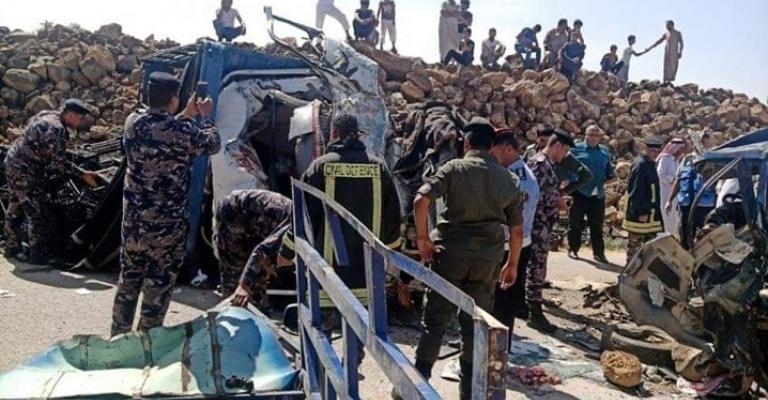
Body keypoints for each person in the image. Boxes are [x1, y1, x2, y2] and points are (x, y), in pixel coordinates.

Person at [405, 117, 523, 400]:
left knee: (435, 321)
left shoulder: (454, 168)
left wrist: (422, 239)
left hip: (450, 256)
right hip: (487, 262)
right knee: (474, 325)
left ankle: (416, 385)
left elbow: (421, 201)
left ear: (466, 143)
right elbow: (517, 230)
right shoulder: (509, 179)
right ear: (492, 147)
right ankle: (468, 392)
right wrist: (512, 264)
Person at [111, 72, 221, 336]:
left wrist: (185, 115)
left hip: (133, 225)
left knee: (128, 281)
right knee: (157, 286)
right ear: (173, 99)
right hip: (165, 228)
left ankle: (118, 338)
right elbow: (213, 143)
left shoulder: (132, 123)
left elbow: (162, 129)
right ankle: (146, 342)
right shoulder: (183, 131)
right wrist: (205, 116)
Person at [281, 114, 402, 349]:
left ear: (334, 134)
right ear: (358, 135)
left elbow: (303, 216)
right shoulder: (379, 168)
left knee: (321, 336)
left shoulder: (320, 167)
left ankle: (322, 367)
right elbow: (392, 218)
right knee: (358, 330)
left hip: (328, 272)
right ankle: (353, 363)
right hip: (367, 273)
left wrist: (287, 250)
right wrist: (392, 261)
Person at [3, 99, 100, 264]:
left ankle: (12, 247)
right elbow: (58, 164)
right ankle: (38, 255)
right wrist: (82, 174)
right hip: (25, 170)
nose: (81, 123)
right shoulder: (57, 130)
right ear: (71, 115)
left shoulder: (48, 114)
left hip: (13, 162)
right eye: (80, 118)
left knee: (16, 205)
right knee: (37, 211)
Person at [490, 130, 539, 337]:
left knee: (502, 306)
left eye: (494, 150)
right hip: (508, 246)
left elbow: (515, 225)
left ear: (508, 148)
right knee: (493, 301)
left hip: (510, 248)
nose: (491, 155)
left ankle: (499, 348)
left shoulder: (519, 180)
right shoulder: (509, 174)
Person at [526, 129, 574, 333]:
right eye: (565, 151)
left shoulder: (547, 164)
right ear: (557, 146)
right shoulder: (540, 164)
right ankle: (534, 312)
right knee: (536, 267)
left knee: (536, 266)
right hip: (537, 224)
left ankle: (528, 306)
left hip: (542, 223)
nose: (565, 156)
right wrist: (559, 203)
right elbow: (538, 195)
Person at [214, 189, 293, 308]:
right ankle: (232, 310)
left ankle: (254, 307)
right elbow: (261, 250)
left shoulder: (303, 224)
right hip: (234, 212)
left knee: (259, 275)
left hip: (257, 223)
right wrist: (244, 285)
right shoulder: (294, 229)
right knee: (235, 278)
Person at [567, 126, 615, 263]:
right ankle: (573, 249)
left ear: (599, 137)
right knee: (575, 223)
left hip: (598, 194)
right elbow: (568, 167)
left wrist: (610, 176)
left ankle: (599, 253)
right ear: (585, 136)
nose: (593, 138)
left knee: (597, 225)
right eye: (591, 135)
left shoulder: (605, 152)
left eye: (596, 135)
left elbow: (608, 170)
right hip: (580, 193)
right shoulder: (576, 149)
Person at [622, 137, 664, 264]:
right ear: (646, 149)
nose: (655, 154)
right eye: (652, 151)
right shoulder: (640, 165)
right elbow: (637, 191)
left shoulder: (650, 164)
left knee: (649, 248)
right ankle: (631, 270)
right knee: (635, 246)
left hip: (651, 214)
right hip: (640, 214)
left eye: (657, 151)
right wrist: (642, 211)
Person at [666, 151, 717, 249]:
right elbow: (678, 180)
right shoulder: (686, 159)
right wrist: (669, 200)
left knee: (703, 235)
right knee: (684, 233)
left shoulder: (711, 157)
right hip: (685, 203)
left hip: (703, 205)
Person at [524, 129, 592, 195]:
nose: (545, 145)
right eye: (542, 141)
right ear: (537, 139)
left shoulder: (564, 156)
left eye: (548, 142)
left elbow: (586, 175)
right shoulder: (532, 152)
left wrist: (565, 191)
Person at [656, 138, 686, 237]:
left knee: (674, 216)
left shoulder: (676, 161)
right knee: (666, 215)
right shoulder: (665, 159)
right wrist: (672, 180)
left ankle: (673, 236)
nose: (682, 151)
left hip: (674, 193)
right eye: (681, 148)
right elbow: (660, 174)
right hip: (665, 192)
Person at [645, 20, 684, 84]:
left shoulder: (677, 33)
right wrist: (649, 48)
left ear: (672, 25)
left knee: (673, 66)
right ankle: (665, 81)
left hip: (674, 53)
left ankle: (669, 81)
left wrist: (680, 52)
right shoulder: (666, 34)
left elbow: (681, 43)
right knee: (666, 66)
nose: (666, 27)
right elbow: (658, 41)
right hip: (667, 52)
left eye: (668, 25)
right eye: (666, 25)